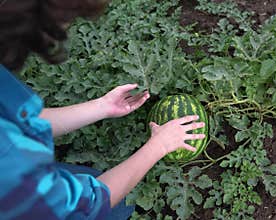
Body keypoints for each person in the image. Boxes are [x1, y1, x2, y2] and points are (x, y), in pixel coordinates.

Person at [0, 1, 205, 219]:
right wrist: (159, 146)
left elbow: (22, 122)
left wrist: (101, 107)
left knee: (108, 191)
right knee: (118, 205)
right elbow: (85, 205)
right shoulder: (11, 165)